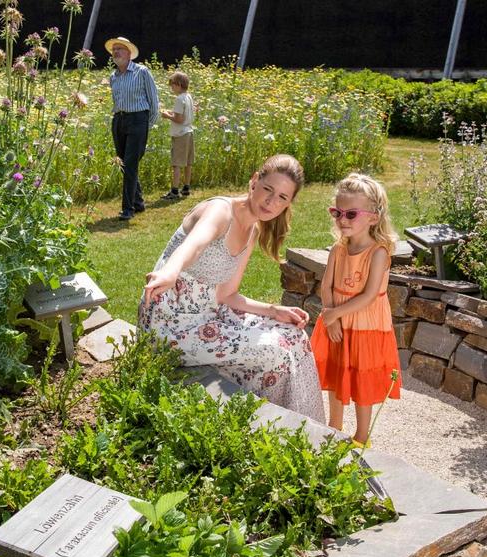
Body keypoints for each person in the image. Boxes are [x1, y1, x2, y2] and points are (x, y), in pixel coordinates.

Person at [139, 154, 326, 423]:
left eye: (282, 198)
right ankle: (274, 427)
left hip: (208, 315)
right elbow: (194, 245)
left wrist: (273, 310)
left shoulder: (252, 230)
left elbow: (227, 295)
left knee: (294, 336)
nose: (271, 202)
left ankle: (308, 429)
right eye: (268, 189)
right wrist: (171, 270)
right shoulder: (220, 211)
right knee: (275, 350)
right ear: (254, 181)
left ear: (288, 204)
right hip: (171, 325)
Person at [310, 173, 402, 446]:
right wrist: (331, 318)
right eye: (337, 212)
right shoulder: (338, 249)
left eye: (351, 214)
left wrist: (334, 314)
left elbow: (370, 296)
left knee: (363, 377)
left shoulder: (378, 253)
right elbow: (327, 286)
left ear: (373, 217)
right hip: (336, 321)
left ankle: (362, 436)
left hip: (365, 325)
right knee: (336, 371)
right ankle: (334, 425)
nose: (342, 220)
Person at [105, 36, 160, 220]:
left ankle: (128, 209)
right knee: (124, 164)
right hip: (119, 120)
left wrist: (145, 125)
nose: (116, 52)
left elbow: (154, 102)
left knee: (130, 164)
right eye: (114, 50)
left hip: (138, 120)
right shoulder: (113, 77)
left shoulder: (142, 72)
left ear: (129, 53)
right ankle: (138, 202)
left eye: (120, 49)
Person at [160, 71, 195, 200]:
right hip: (189, 131)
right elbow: (182, 114)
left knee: (177, 163)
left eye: (172, 85)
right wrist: (172, 112)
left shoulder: (179, 99)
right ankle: (186, 187)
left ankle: (174, 191)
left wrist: (167, 115)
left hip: (180, 134)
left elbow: (179, 119)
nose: (171, 88)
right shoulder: (188, 96)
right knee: (188, 162)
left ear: (179, 84)